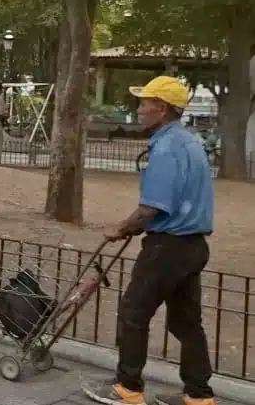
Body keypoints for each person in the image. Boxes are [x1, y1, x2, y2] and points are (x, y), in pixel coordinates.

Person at [82, 77, 215, 405]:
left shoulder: (166, 147)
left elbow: (151, 207)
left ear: (163, 108)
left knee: (133, 313)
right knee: (187, 323)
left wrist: (122, 228)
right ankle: (198, 395)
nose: (139, 109)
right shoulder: (191, 142)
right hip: (193, 245)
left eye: (145, 103)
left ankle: (127, 387)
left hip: (167, 247)